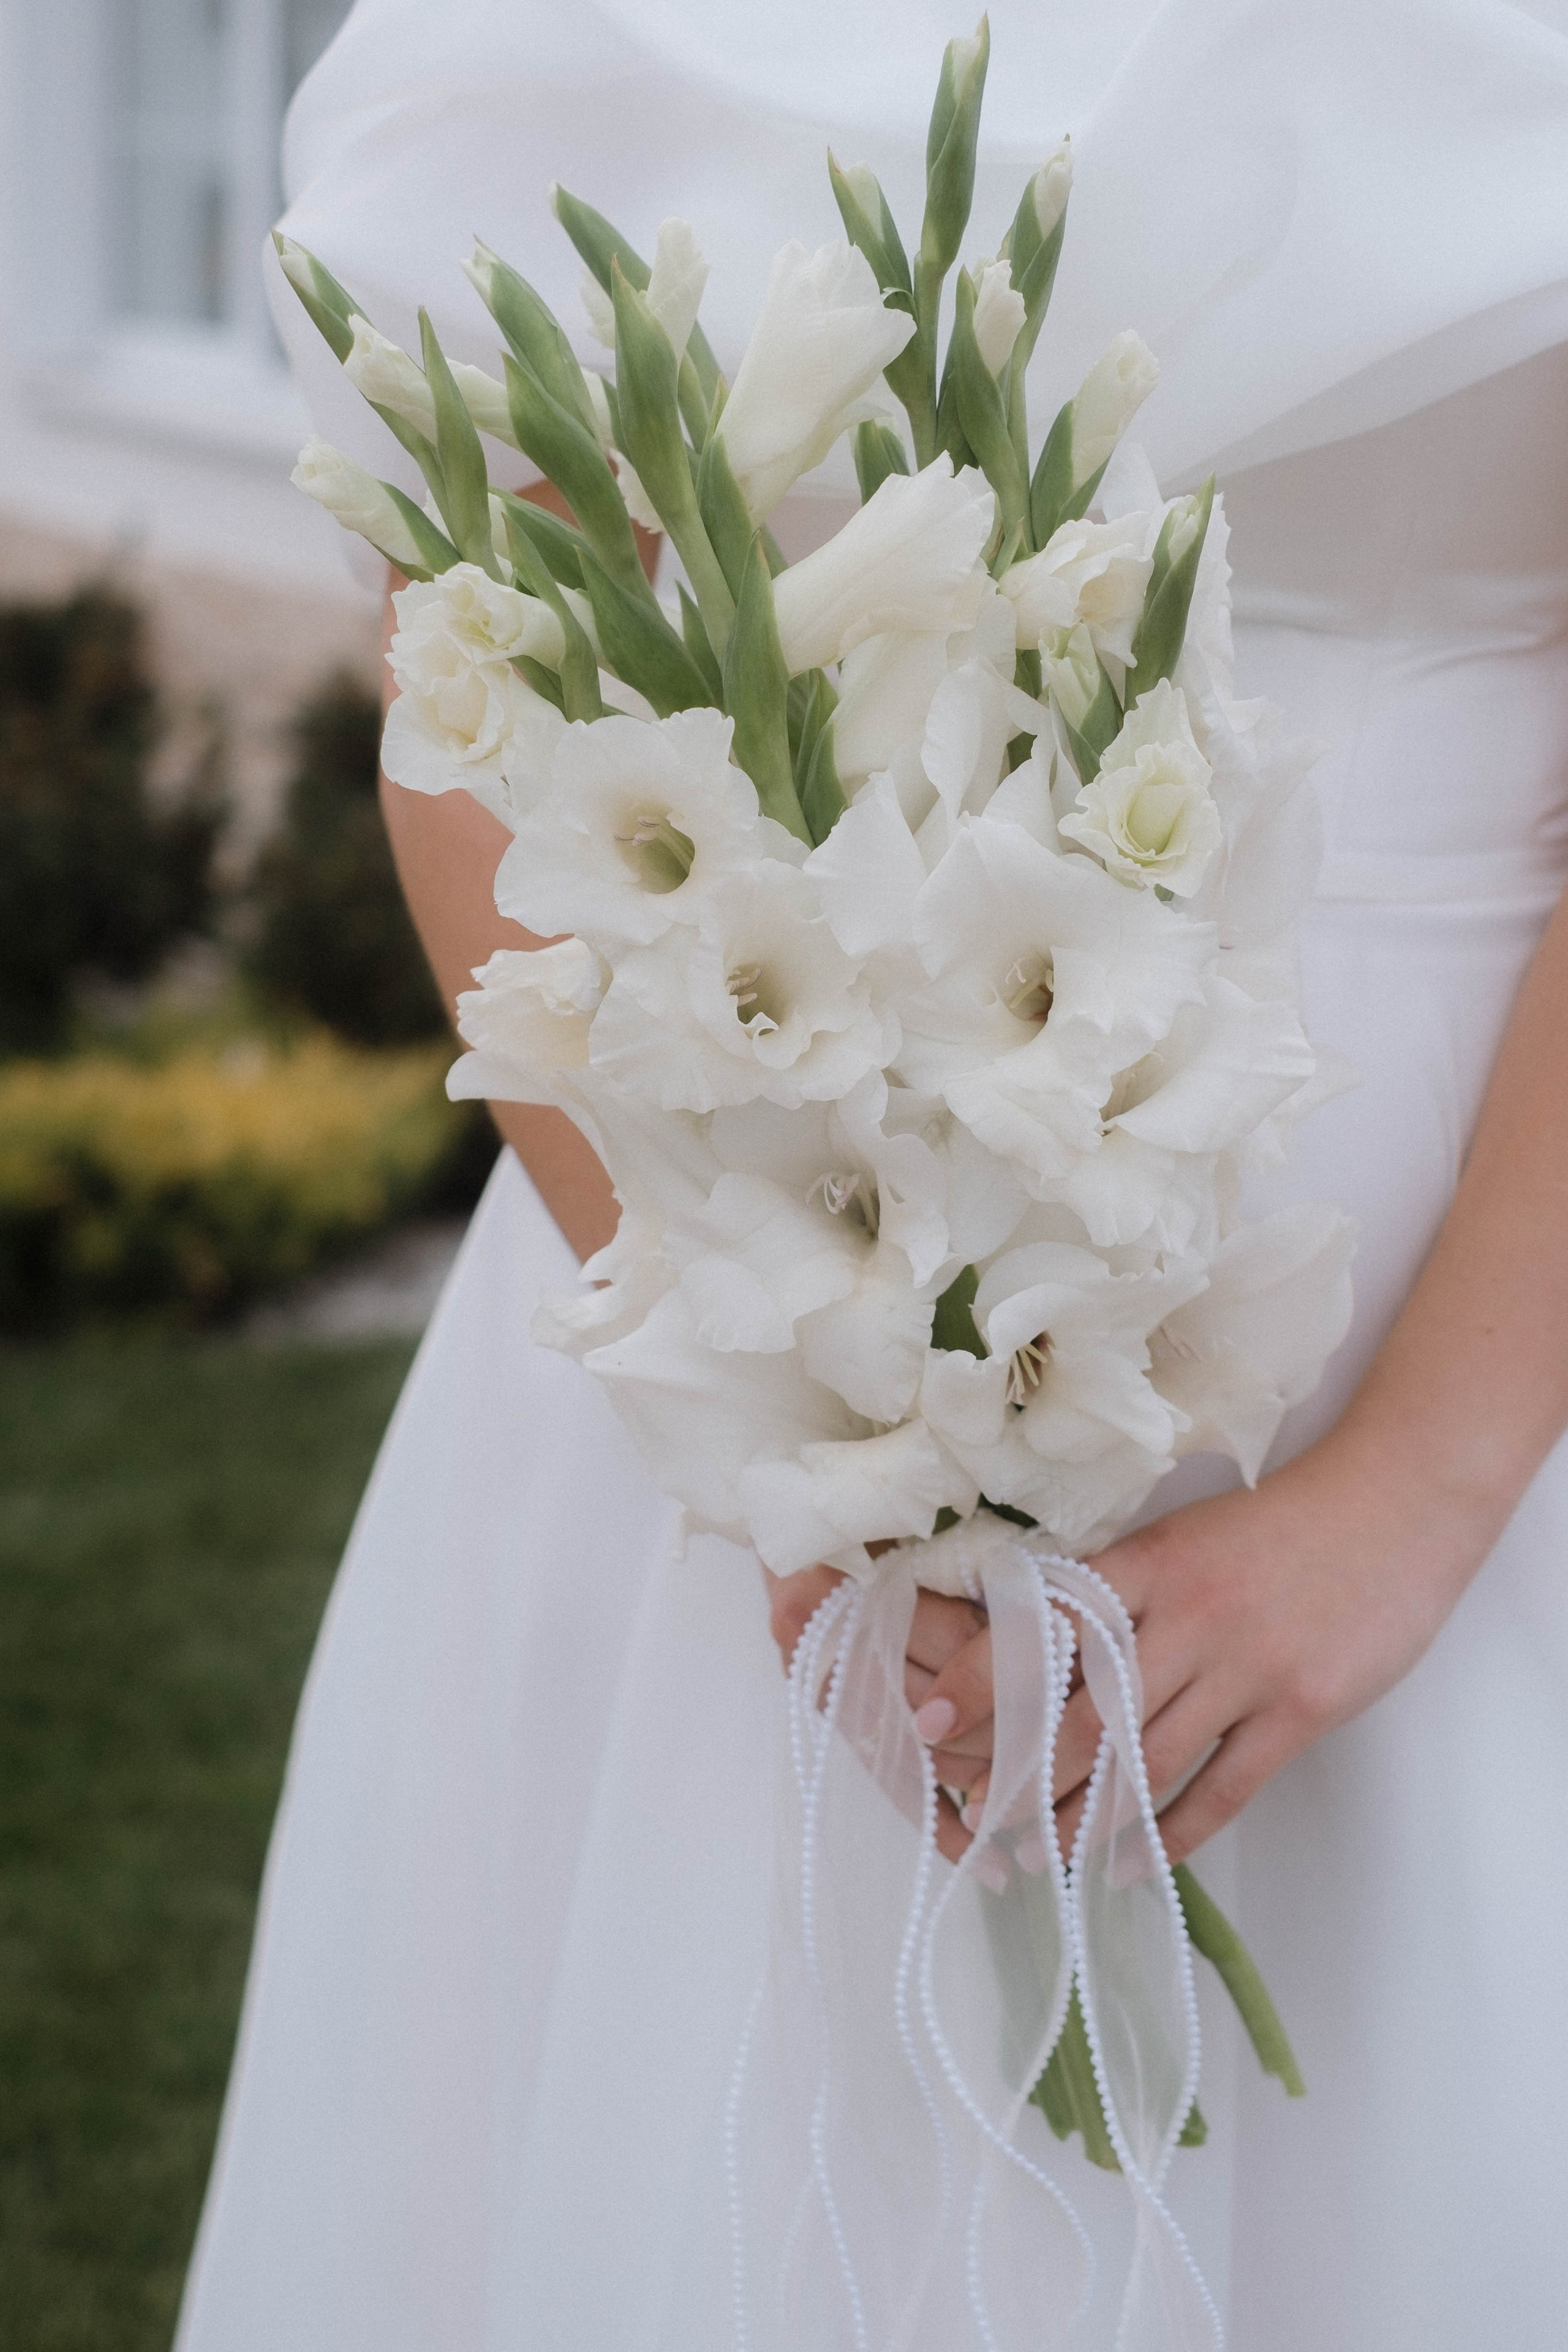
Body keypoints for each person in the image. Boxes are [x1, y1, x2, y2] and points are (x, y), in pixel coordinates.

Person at [175, 2, 1568, 2344]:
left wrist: (1414, 1496)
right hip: (726, 1282)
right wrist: (789, 1418)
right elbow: (480, 666)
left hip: (1474, 1290)